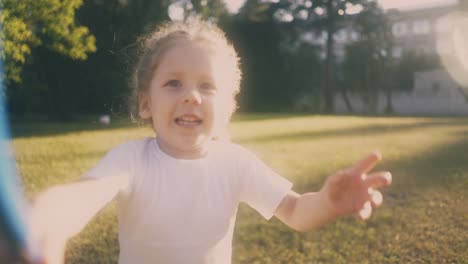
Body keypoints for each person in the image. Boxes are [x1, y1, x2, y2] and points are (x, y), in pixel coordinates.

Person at [29, 19, 392, 264]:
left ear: (228, 107)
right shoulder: (131, 160)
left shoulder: (235, 162)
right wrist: (47, 219)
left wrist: (328, 202)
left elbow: (296, 211)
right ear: (146, 103)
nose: (191, 96)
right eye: (174, 83)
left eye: (207, 86)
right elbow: (81, 195)